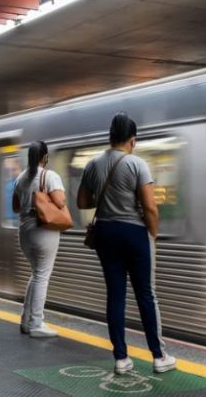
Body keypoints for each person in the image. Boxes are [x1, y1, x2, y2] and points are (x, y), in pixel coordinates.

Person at [77, 113, 176, 375]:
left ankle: (121, 358)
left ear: (110, 137)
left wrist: (107, 199)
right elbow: (150, 207)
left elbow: (82, 202)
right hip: (134, 234)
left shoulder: (93, 164)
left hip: (106, 233)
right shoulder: (137, 164)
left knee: (115, 295)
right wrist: (152, 235)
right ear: (132, 140)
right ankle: (158, 355)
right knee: (146, 294)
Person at [12, 141, 67, 338]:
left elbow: (15, 207)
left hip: (24, 232)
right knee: (42, 275)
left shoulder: (20, 178)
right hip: (43, 230)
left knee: (37, 273)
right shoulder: (50, 176)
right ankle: (36, 323)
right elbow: (60, 202)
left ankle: (26, 320)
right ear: (45, 157)